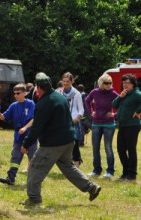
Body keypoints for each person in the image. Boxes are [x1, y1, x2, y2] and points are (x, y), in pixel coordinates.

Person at [20, 72, 101, 206]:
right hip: (68, 140)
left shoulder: (44, 103)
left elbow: (37, 127)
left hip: (53, 143)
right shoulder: (60, 97)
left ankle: (34, 198)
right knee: (67, 166)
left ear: (39, 88)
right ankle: (91, 187)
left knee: (35, 167)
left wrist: (26, 144)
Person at [0, 84, 36, 185]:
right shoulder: (14, 106)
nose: (16, 95)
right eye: (14, 93)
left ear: (24, 93)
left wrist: (25, 127)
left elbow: (33, 119)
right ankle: (10, 178)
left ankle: (34, 180)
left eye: (18, 93)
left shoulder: (31, 103)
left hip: (29, 134)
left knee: (33, 157)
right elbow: (4, 117)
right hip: (18, 135)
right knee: (15, 157)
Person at [85, 73, 119, 178]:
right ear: (101, 83)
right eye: (106, 83)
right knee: (95, 147)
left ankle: (110, 171)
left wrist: (114, 114)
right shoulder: (94, 92)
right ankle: (96, 170)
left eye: (110, 83)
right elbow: (87, 100)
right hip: (96, 123)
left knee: (108, 147)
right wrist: (91, 111)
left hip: (109, 124)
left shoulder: (113, 94)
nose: (109, 85)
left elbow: (123, 104)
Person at [112, 73, 141, 181]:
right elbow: (114, 105)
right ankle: (125, 172)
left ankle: (132, 174)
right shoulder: (124, 94)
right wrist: (120, 96)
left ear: (133, 84)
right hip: (122, 125)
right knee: (120, 149)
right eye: (124, 82)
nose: (125, 85)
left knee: (131, 149)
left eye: (127, 83)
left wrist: (138, 111)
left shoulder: (137, 94)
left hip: (132, 125)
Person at [57, 72, 84, 168]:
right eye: (63, 81)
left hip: (73, 121)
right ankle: (65, 164)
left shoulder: (76, 94)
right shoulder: (59, 92)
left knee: (74, 144)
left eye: (67, 81)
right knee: (62, 144)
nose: (65, 83)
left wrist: (76, 119)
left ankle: (77, 164)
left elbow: (81, 110)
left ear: (72, 81)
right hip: (62, 122)